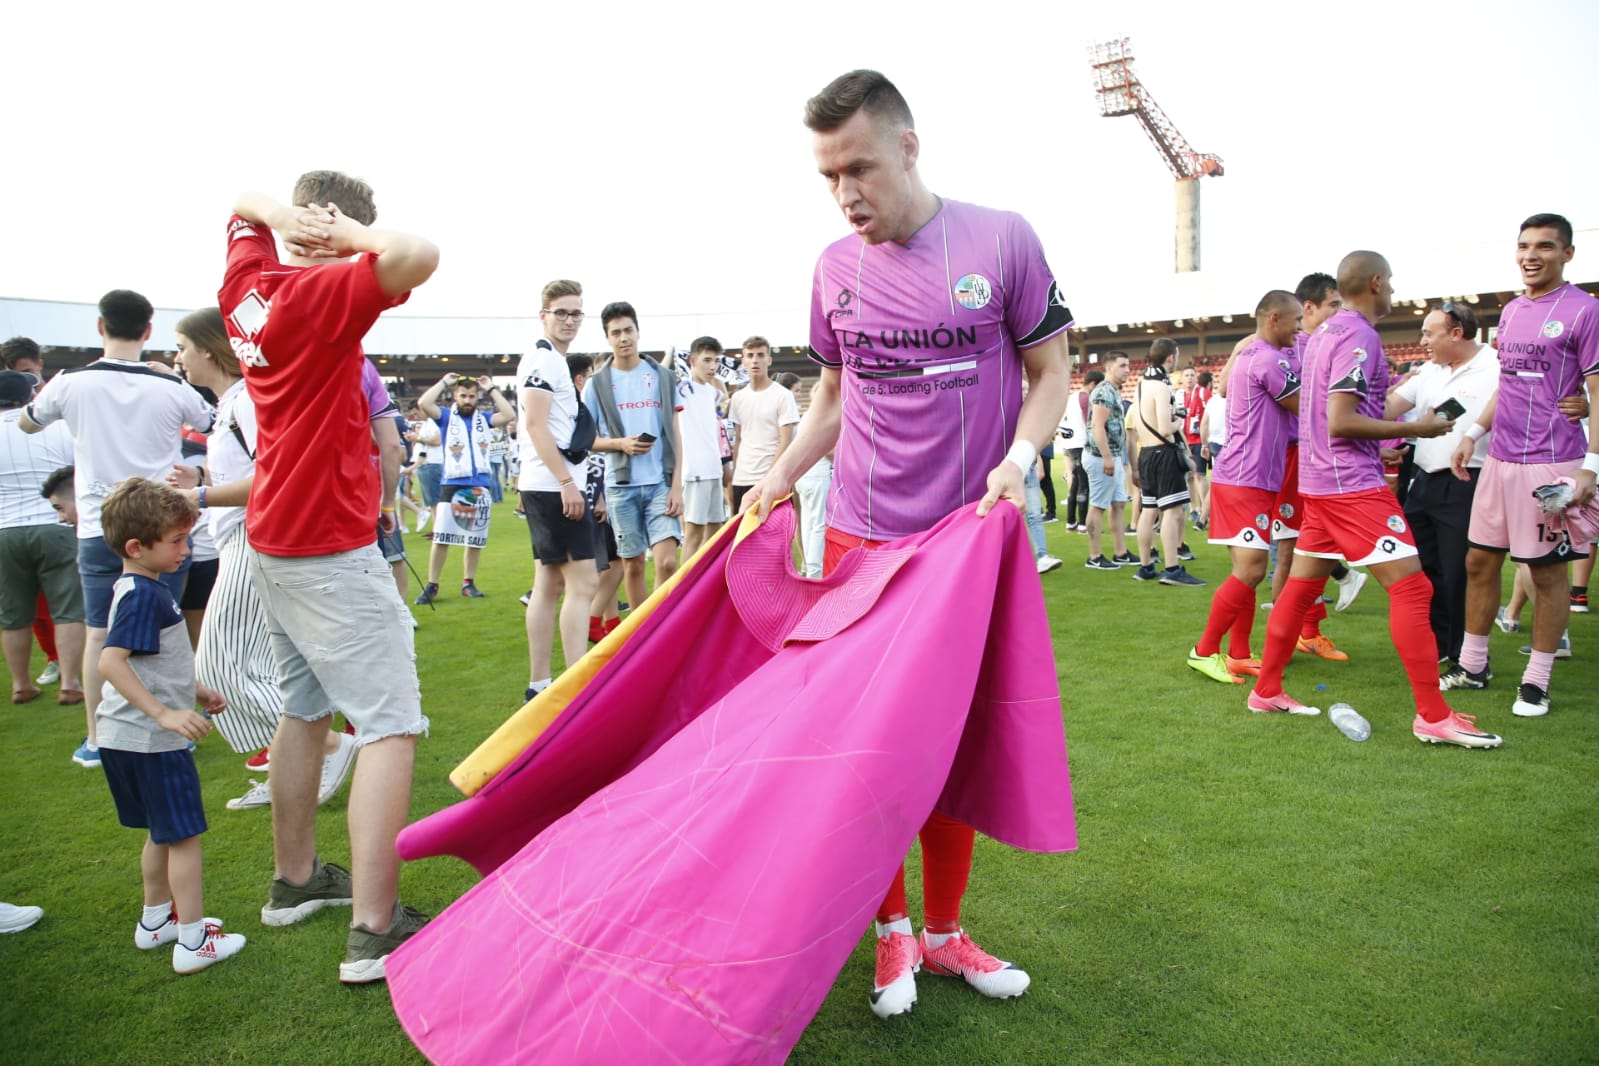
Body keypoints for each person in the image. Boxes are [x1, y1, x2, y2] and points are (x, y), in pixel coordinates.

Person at [742, 69, 1073, 1020]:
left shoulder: (1000, 238)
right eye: (827, 177)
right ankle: (889, 932)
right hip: (857, 538)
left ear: (908, 147)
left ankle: (942, 929)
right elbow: (835, 395)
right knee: (866, 747)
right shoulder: (832, 269)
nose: (846, 195)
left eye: (859, 169)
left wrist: (1019, 457)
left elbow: (1049, 370)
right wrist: (776, 474)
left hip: (964, 542)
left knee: (956, 739)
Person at [222, 172, 437, 983]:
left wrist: (283, 218)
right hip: (324, 542)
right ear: (334, 225)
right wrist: (344, 236)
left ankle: (297, 879)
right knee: (390, 724)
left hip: (276, 532)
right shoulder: (319, 298)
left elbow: (240, 203)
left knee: (304, 708)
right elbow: (419, 254)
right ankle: (374, 928)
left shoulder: (247, 283)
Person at [1247, 250, 1499, 748]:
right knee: (1412, 590)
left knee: (1299, 592)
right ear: (1377, 283)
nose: (1393, 291)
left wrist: (1394, 424)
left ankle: (1266, 689)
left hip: (1320, 483)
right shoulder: (1359, 334)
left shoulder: (1322, 335)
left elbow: (1337, 412)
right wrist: (1417, 427)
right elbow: (1341, 420)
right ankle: (1432, 715)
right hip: (1349, 485)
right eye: (1392, 283)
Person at [166, 308, 358, 812]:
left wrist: (201, 499)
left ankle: (331, 747)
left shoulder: (246, 400)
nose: (178, 357)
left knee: (220, 668)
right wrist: (203, 490)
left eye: (182, 346)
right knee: (270, 665)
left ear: (208, 349)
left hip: (255, 540)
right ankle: (298, 764)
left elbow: (278, 476)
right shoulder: (235, 402)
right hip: (247, 538)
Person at [20, 290, 214, 769]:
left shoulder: (69, 383)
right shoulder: (169, 386)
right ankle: (175, 726)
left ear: (101, 326)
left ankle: (96, 737)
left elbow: (27, 422)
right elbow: (210, 420)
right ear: (148, 331)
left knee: (99, 633)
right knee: (164, 633)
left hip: (97, 526)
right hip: (160, 525)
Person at [94, 476, 244, 974]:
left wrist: (192, 692)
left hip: (126, 739)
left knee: (161, 833)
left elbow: (146, 661)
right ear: (137, 547)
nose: (187, 548)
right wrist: (165, 713)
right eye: (177, 541)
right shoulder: (144, 595)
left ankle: (156, 920)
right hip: (151, 742)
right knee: (183, 836)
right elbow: (111, 662)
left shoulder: (142, 588)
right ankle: (193, 940)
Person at [1452, 214, 1599, 717]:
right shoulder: (1512, 310)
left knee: (1545, 573)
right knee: (1479, 561)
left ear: (1567, 254)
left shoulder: (1584, 311)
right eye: (1524, 246)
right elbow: (1510, 383)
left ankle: (1536, 681)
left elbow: (1597, 393)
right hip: (1500, 459)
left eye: (1544, 246)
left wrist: (1590, 468)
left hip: (1551, 461)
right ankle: (1473, 666)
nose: (1531, 255)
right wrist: (1473, 434)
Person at [1187, 291, 1301, 683]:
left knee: (1246, 568)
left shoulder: (1253, 354)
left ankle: (1237, 652)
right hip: (1245, 477)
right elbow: (1307, 407)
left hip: (1252, 476)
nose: (1300, 328)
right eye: (1296, 320)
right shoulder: (1268, 360)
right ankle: (1204, 650)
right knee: (1252, 569)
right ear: (1273, 319)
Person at [1390, 303, 1497, 683]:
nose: (1422, 341)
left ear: (1456, 333)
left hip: (1470, 479)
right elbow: (1388, 409)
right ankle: (1437, 645)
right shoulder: (1427, 372)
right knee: (1424, 570)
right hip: (1423, 478)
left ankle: (1466, 656)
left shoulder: (1496, 366)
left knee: (1459, 572)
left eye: (1429, 333)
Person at [518, 280, 600, 703]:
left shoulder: (550, 361)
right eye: (561, 312)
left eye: (576, 313)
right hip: (555, 486)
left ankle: (540, 683)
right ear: (544, 315)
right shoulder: (544, 361)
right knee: (583, 583)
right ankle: (575, 683)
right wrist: (568, 483)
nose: (569, 320)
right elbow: (535, 424)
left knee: (548, 582)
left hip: (548, 484)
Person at [584, 302, 684, 611]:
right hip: (620, 486)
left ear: (638, 332)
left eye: (628, 330)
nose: (623, 337)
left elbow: (676, 435)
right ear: (607, 338)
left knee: (667, 562)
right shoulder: (596, 384)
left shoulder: (661, 378)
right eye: (616, 333)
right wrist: (619, 444)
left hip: (660, 483)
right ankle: (641, 635)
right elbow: (586, 440)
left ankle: (661, 622)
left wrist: (677, 484)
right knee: (634, 565)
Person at [0, 369, 84, 705]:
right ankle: (70, 681)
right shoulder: (57, 428)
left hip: (5, 528)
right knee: (67, 609)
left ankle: (20, 683)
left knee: (12, 613)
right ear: (29, 397)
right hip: (55, 523)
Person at [413, 373, 514, 604]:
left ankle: (468, 583)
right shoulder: (447, 417)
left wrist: (491, 389)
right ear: (455, 396)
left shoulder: (484, 418)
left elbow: (509, 414)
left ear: (477, 398)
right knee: (441, 537)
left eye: (471, 396)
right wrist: (443, 383)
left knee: (474, 538)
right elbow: (424, 403)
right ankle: (432, 584)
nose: (467, 400)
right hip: (452, 482)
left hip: (479, 483)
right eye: (463, 396)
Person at [1132, 339, 1204, 586]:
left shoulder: (1141, 385)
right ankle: (1172, 568)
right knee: (1171, 513)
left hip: (1147, 454)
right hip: (1163, 454)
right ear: (1171, 358)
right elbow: (1165, 427)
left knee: (1148, 511)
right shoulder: (1162, 388)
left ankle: (1146, 566)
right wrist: (1178, 422)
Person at [727, 337, 799, 513]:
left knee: (772, 537)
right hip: (742, 479)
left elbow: (786, 441)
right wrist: (735, 474)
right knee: (742, 537)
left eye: (760, 355)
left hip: (771, 479)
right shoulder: (738, 398)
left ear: (769, 359)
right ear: (743, 361)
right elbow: (738, 440)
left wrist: (771, 476)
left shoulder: (782, 395)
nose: (755, 360)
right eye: (750, 355)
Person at [678, 337, 731, 562]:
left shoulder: (710, 391)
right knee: (694, 533)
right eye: (707, 360)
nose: (712, 366)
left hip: (713, 469)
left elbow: (725, 396)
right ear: (692, 360)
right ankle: (683, 589)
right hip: (694, 470)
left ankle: (702, 587)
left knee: (715, 531)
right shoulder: (682, 388)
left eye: (716, 361)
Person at [1084, 354, 1133, 569]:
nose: (1128, 369)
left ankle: (1120, 552)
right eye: (1122, 365)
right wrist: (1106, 457)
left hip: (1112, 455)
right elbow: (1097, 426)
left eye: (1128, 365)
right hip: (1101, 456)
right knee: (1098, 506)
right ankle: (1094, 556)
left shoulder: (1112, 390)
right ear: (1109, 367)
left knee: (1119, 504)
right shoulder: (1104, 391)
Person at [793, 377, 835, 577]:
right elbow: (827, 450)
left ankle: (810, 568)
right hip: (818, 476)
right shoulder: (823, 417)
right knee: (818, 525)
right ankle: (815, 571)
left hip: (804, 476)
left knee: (809, 524)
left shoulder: (807, 416)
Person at [1061, 372, 1095, 531]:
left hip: (1069, 444)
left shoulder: (1071, 397)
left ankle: (1071, 521)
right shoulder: (1085, 398)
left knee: (1074, 483)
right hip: (1081, 444)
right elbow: (1089, 422)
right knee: (1083, 484)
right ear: (1093, 384)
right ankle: (1082, 523)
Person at [1181, 366, 1212, 525]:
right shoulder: (1178, 395)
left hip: (1199, 440)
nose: (1189, 378)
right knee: (1189, 478)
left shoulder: (1202, 393)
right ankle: (1194, 508)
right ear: (1182, 378)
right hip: (1184, 441)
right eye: (1186, 375)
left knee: (1200, 475)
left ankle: (1204, 509)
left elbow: (1211, 411)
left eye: (1192, 375)